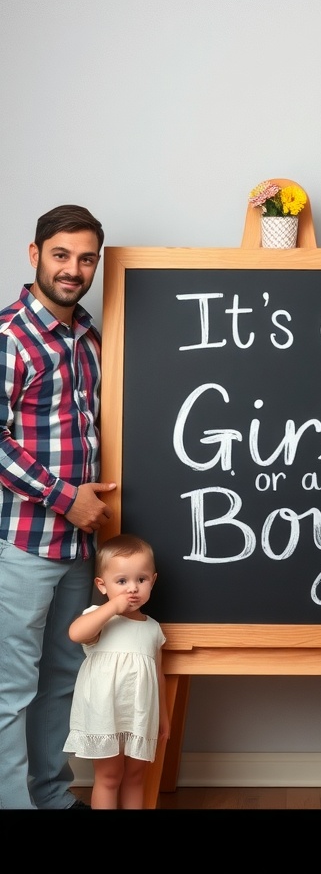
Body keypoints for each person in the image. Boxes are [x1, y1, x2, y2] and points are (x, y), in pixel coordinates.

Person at [0, 204, 116, 810]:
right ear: (35, 255)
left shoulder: (92, 338)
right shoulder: (10, 337)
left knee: (63, 676)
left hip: (80, 543)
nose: (73, 269)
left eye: (86, 258)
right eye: (61, 255)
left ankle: (50, 795)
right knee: (11, 684)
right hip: (24, 540)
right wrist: (65, 497)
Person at [64, 534, 169, 809]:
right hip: (104, 716)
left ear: (152, 581)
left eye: (141, 580)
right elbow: (76, 633)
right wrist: (112, 607)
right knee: (109, 776)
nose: (132, 589)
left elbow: (158, 675)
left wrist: (163, 717)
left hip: (140, 715)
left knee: (135, 777)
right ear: (102, 585)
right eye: (122, 581)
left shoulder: (153, 628)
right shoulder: (99, 617)